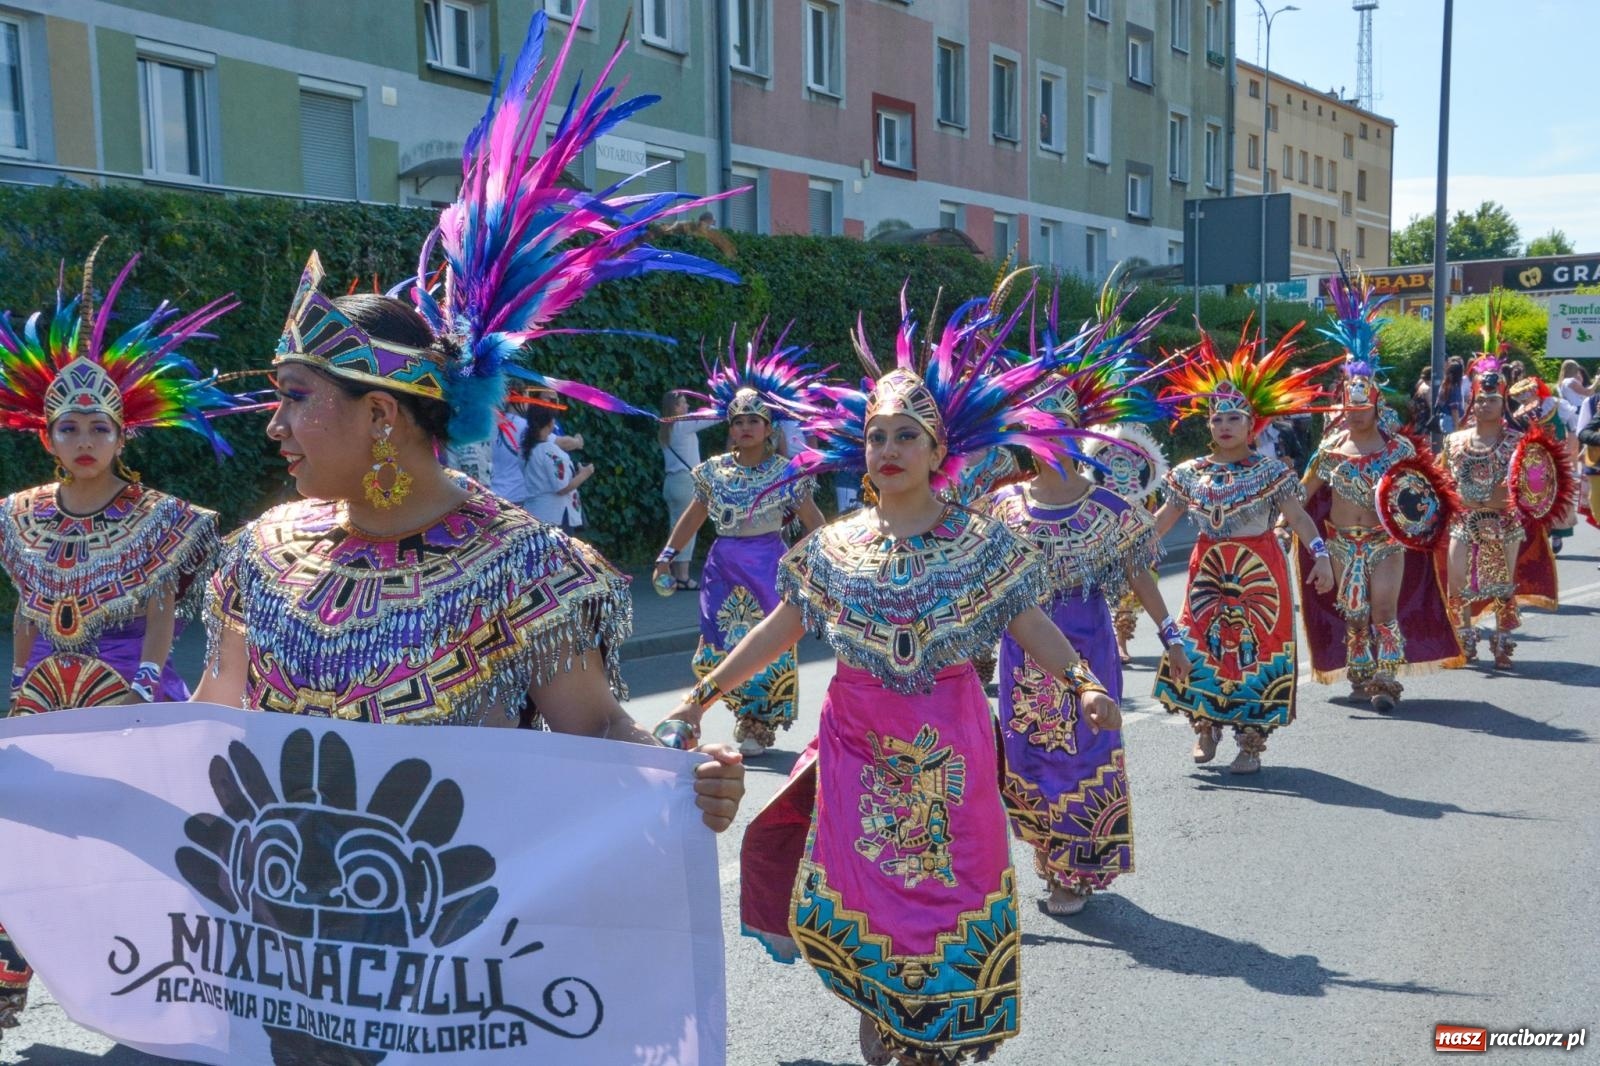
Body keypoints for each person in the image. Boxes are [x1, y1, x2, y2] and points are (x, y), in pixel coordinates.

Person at [192, 9, 744, 855]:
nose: (275, 426)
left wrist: (693, 775)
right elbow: (210, 725)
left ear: (382, 415)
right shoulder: (262, 554)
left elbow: (597, 739)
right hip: (284, 944)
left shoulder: (524, 567)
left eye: (297, 397)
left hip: (450, 948)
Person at [659, 292, 1121, 1066]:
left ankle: (936, 1023)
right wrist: (700, 695)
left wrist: (1082, 682)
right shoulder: (831, 548)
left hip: (952, 743)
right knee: (865, 883)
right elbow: (784, 629)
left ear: (941, 452)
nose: (889, 447)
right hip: (858, 743)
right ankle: (884, 1006)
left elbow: (1026, 621)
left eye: (908, 434)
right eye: (877, 436)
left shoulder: (981, 543)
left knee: (952, 884)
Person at [0, 243, 248, 1038]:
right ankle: (14, 977)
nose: (81, 440)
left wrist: (147, 674)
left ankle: (165, 986)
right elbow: (27, 606)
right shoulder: (22, 512)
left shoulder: (159, 519)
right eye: (66, 427)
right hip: (42, 698)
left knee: (144, 840)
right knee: (29, 839)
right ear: (46, 436)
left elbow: (161, 607)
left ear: (121, 438)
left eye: (97, 428)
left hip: (126, 695)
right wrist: (17, 678)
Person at [977, 296, 1187, 916]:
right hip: (1021, 650)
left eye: (1053, 432)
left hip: (1088, 643)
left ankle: (1076, 869)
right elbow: (983, 585)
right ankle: (1049, 861)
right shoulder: (1003, 506)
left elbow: (1139, 575)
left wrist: (1171, 636)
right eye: (1032, 432)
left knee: (1083, 753)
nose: (1042, 443)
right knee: (1027, 754)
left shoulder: (1110, 508)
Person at [1151, 326, 1336, 774]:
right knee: (1198, 644)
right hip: (1208, 574)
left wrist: (1322, 555)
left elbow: (1298, 517)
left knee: (1256, 652)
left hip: (1259, 573)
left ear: (1252, 426)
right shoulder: (1188, 473)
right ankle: (1205, 725)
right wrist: (1128, 549)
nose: (1224, 426)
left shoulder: (1271, 472)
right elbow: (1161, 525)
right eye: (1216, 418)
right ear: (1208, 425)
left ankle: (1251, 743)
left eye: (1234, 418)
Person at [653, 326, 827, 757]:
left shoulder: (788, 472)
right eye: (738, 421)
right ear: (729, 429)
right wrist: (667, 556)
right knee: (717, 641)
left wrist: (824, 566)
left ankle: (758, 722)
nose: (746, 427)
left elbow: (813, 522)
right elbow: (694, 516)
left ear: (769, 428)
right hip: (723, 565)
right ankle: (730, 709)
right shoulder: (712, 471)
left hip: (769, 563)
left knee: (768, 643)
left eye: (754, 420)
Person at [1293, 277, 1463, 713]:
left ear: (1376, 405)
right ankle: (1360, 671)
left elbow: (1424, 494)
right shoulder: (1328, 451)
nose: (1355, 414)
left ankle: (1386, 679)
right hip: (1340, 543)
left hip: (1387, 543)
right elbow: (1299, 497)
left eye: (1362, 407)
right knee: (1354, 613)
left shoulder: (1399, 449)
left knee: (1383, 610)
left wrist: (1431, 518)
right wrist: (1278, 525)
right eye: (1348, 408)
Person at [1439, 310, 1560, 670]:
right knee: (1456, 577)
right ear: (1472, 402)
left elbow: (1538, 482)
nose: (1484, 405)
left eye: (1491, 400)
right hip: (1464, 519)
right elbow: (1438, 479)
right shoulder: (1454, 441)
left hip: (1503, 522)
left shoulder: (1518, 442)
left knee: (1502, 583)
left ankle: (1503, 640)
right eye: (1479, 399)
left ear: (1502, 401)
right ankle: (1464, 635)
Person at [659, 389, 716, 589]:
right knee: (688, 529)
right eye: (683, 403)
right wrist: (721, 402)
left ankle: (673, 573)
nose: (687, 406)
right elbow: (713, 418)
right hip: (685, 483)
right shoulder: (681, 424)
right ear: (675, 408)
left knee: (675, 529)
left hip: (672, 483)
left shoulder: (666, 428)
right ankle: (683, 576)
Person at [522, 404, 591, 532]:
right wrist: (584, 474)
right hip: (554, 516)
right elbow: (561, 488)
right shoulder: (550, 451)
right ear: (550, 423)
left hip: (535, 512)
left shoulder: (528, 447)